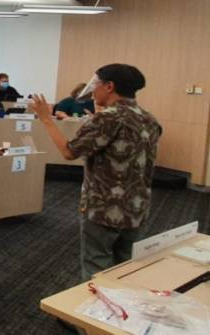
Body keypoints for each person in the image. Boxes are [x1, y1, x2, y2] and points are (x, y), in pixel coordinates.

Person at [29, 64, 161, 279]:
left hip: (104, 208)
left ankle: (98, 302)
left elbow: (69, 152)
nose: (92, 90)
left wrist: (45, 118)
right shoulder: (149, 118)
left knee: (97, 267)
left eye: (96, 84)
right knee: (125, 267)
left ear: (109, 87)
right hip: (137, 207)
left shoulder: (108, 118)